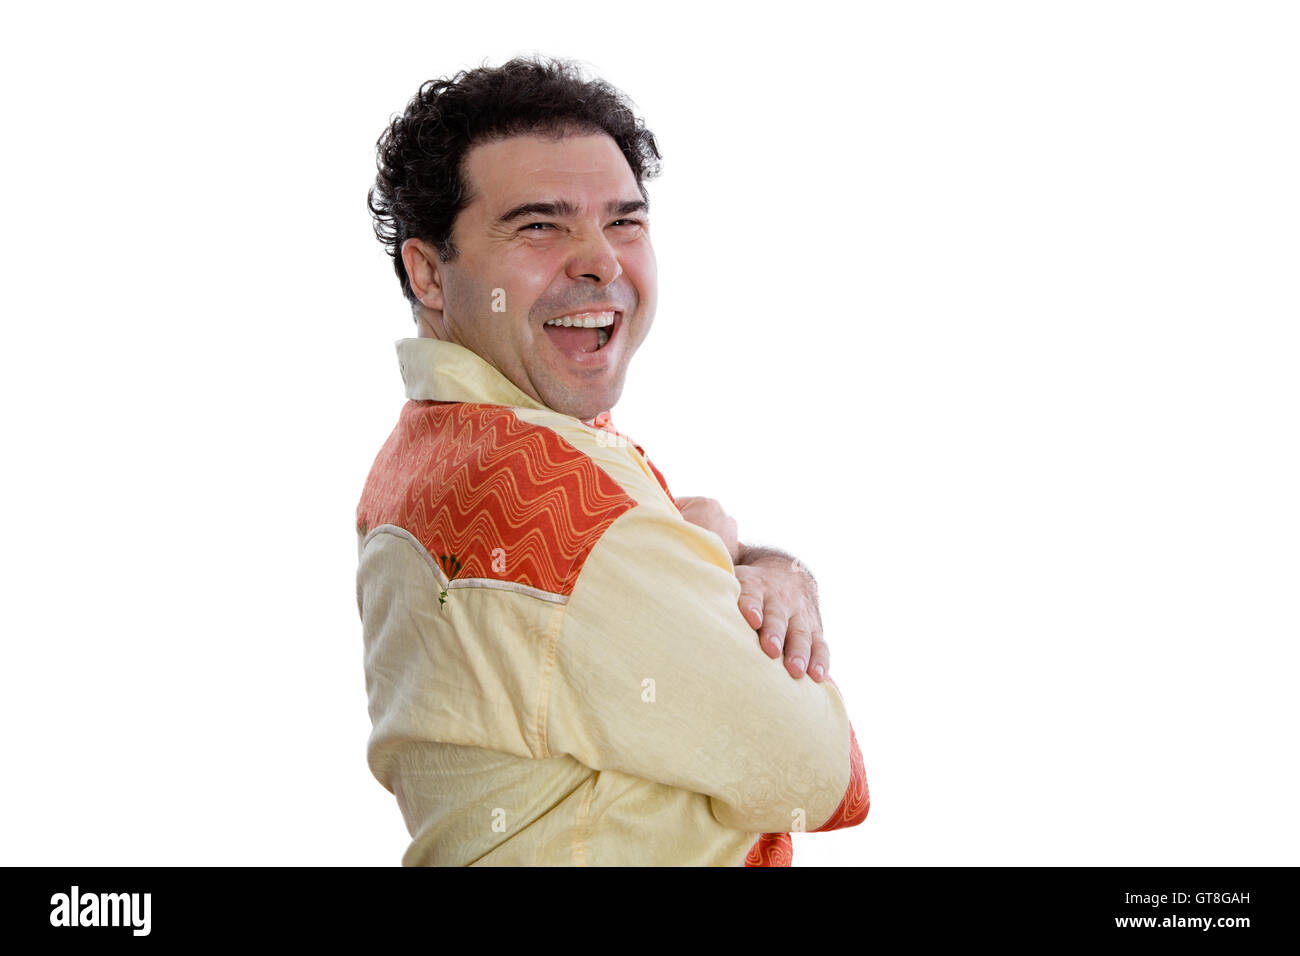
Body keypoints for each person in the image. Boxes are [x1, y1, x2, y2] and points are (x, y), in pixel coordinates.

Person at [355, 56, 868, 865]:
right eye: (539, 225)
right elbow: (822, 772)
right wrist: (713, 548)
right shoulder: (548, 498)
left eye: (624, 222)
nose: (601, 261)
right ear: (428, 272)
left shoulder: (428, 449)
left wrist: (732, 557)